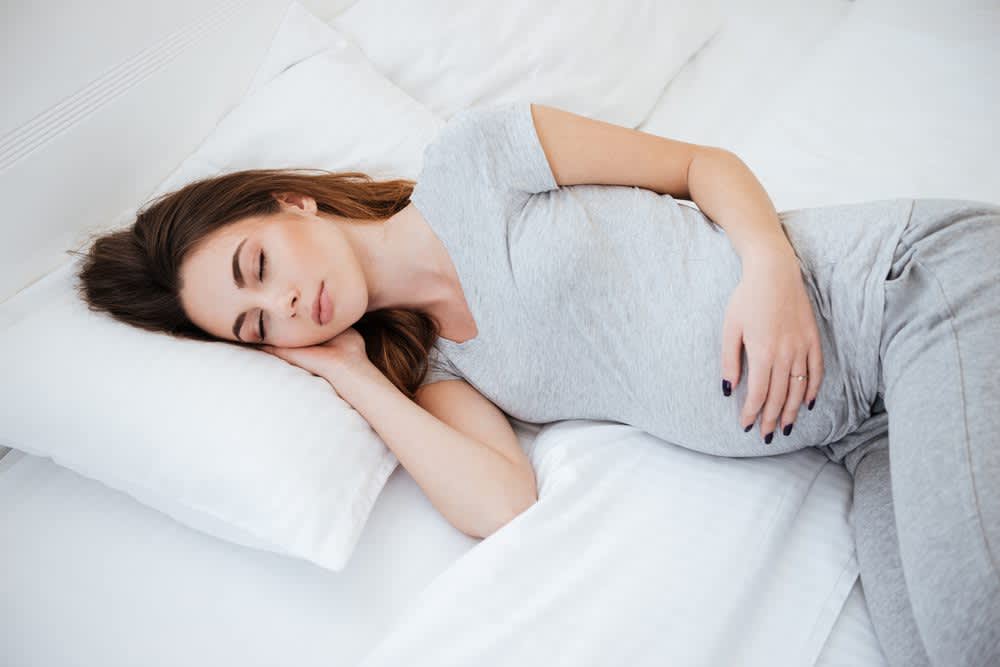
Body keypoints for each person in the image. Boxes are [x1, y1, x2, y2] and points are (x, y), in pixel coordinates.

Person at [75, 102, 998, 666]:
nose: (285, 303)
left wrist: (768, 268)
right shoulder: (441, 367)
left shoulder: (474, 160)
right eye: (258, 326)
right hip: (856, 429)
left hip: (904, 289)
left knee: (969, 627)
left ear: (290, 202)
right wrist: (353, 376)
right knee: (928, 652)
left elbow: (697, 166)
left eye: (257, 266)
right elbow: (506, 500)